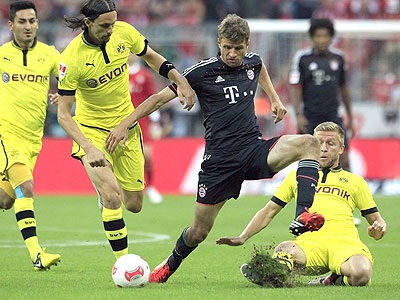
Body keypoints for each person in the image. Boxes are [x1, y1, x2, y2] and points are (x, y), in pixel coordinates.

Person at [106, 14, 325, 283]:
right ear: (218, 42)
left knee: (310, 143)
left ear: (247, 44)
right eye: (227, 48)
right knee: (198, 232)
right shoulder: (200, 72)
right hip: (219, 162)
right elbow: (157, 100)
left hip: (253, 149)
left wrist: (275, 99)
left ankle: (303, 213)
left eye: (239, 48)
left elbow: (260, 67)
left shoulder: (252, 62)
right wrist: (125, 124)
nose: (233, 54)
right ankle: (170, 264)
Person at [57, 0, 195, 260]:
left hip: (127, 127)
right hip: (92, 132)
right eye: (105, 25)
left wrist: (180, 79)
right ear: (87, 23)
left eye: (113, 23)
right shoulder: (71, 58)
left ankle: (107, 197)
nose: (111, 29)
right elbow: (63, 115)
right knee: (111, 196)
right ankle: (123, 262)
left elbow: (152, 58)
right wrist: (87, 146)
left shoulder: (124, 32)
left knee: (134, 205)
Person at [217, 121, 387, 287]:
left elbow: (378, 223)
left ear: (341, 149)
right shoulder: (296, 176)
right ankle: (273, 275)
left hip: (345, 244)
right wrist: (243, 237)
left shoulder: (355, 182)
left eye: (330, 144)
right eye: (319, 143)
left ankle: (331, 280)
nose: (323, 148)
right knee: (284, 250)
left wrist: (377, 230)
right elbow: (269, 211)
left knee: (362, 274)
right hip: (309, 246)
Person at [0, 1, 61, 270]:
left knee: (5, 200)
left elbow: (74, 78)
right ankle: (37, 254)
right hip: (6, 135)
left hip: (33, 140)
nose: (28, 26)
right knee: (26, 188)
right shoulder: (1, 55)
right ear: (11, 24)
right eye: (22, 22)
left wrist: (66, 94)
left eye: (32, 21)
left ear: (38, 23)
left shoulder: (49, 55)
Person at [290, 18, 353, 170]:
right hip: (310, 117)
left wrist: (349, 115)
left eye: (325, 36)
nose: (322, 40)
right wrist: (298, 114)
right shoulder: (302, 58)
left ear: (331, 37)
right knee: (307, 158)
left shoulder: (338, 58)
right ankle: (306, 191)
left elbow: (343, 88)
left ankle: (348, 191)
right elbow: (296, 87)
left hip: (333, 115)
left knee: (343, 157)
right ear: (312, 37)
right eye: (318, 36)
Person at [128, 54, 162, 204]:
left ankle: (151, 187)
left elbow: (152, 98)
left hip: (141, 121)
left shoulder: (145, 75)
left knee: (147, 156)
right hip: (120, 121)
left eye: (132, 52)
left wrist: (156, 122)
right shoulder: (117, 74)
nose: (129, 55)